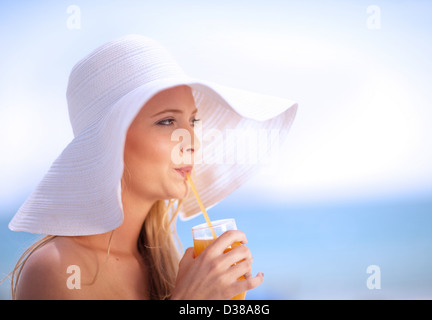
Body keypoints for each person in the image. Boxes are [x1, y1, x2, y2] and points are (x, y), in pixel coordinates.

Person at [8, 35, 297, 299]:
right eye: (167, 121)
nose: (193, 140)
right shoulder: (56, 270)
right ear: (110, 142)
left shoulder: (166, 259)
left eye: (193, 121)